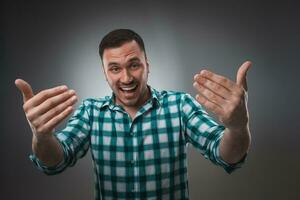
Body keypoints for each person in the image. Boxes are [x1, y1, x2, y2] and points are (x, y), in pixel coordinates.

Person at [15, 29, 251, 199]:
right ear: (105, 73)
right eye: (115, 69)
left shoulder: (180, 106)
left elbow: (226, 154)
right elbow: (55, 161)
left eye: (134, 65)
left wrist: (238, 127)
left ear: (147, 65)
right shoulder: (91, 112)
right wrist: (42, 137)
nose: (126, 78)